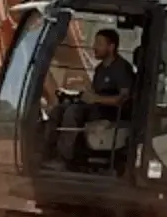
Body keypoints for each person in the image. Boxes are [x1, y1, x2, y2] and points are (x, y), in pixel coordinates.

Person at [54, 28, 135, 164]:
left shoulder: (122, 69)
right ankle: (48, 151)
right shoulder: (99, 69)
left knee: (72, 112)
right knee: (59, 109)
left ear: (111, 47)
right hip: (95, 107)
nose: (94, 47)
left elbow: (124, 99)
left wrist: (96, 99)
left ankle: (65, 158)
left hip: (111, 112)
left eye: (99, 43)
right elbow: (93, 92)